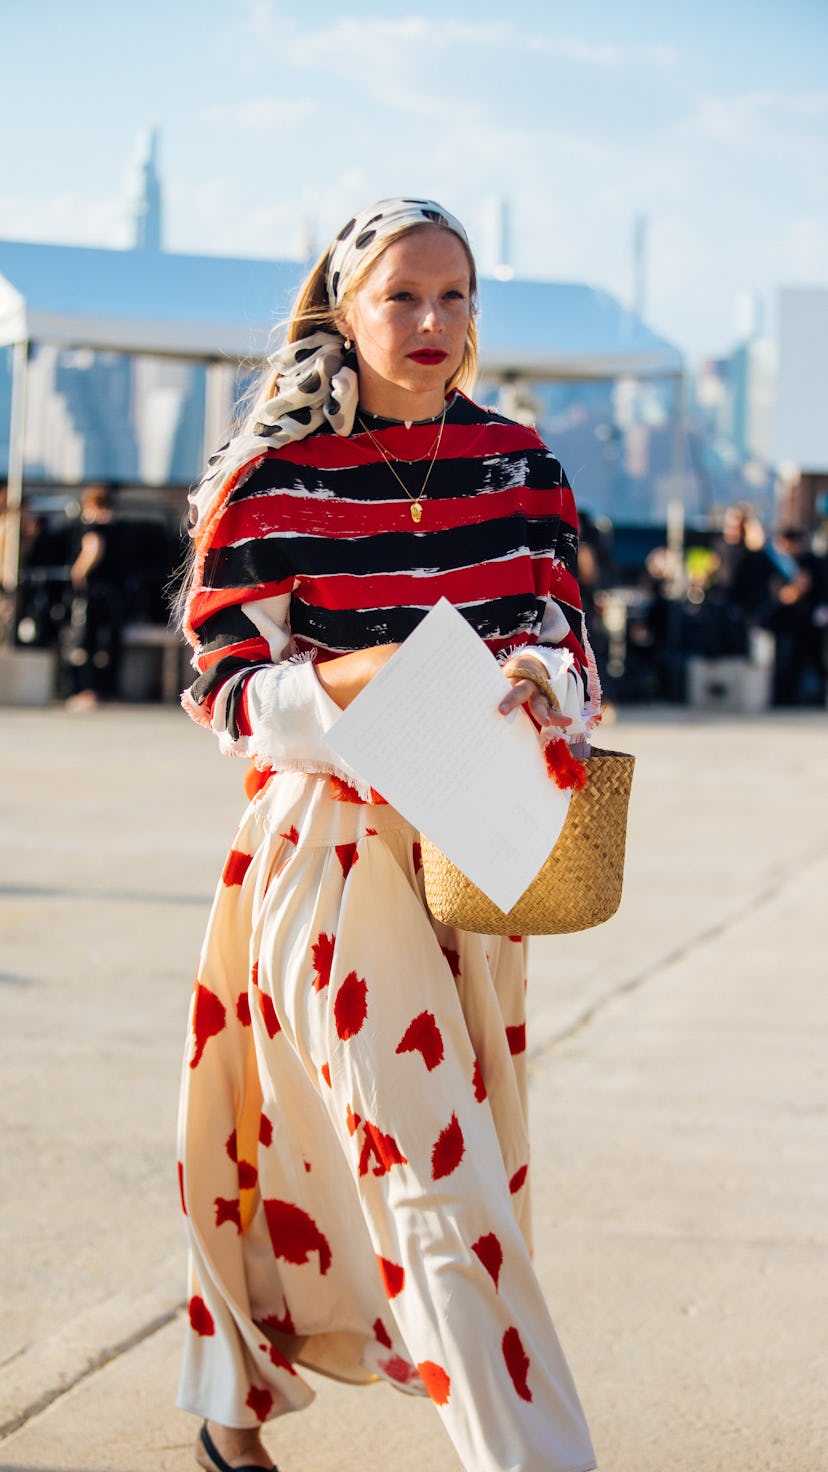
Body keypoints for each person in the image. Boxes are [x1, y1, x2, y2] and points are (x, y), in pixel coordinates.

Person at [176, 198, 602, 1472]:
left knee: (427, 1164)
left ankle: (230, 1410)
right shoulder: (271, 478)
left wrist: (547, 683)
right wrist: (359, 676)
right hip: (330, 850)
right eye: (402, 296)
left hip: (481, 846)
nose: (432, 323)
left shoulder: (522, 464)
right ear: (343, 312)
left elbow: (578, 645)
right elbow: (222, 690)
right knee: (432, 1167)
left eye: (456, 296)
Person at [61, 482, 130, 709]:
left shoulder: (93, 529)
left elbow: (93, 549)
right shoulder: (121, 528)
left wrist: (78, 573)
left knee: (86, 642)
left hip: (94, 592)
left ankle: (86, 690)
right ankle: (109, 690)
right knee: (111, 643)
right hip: (117, 593)